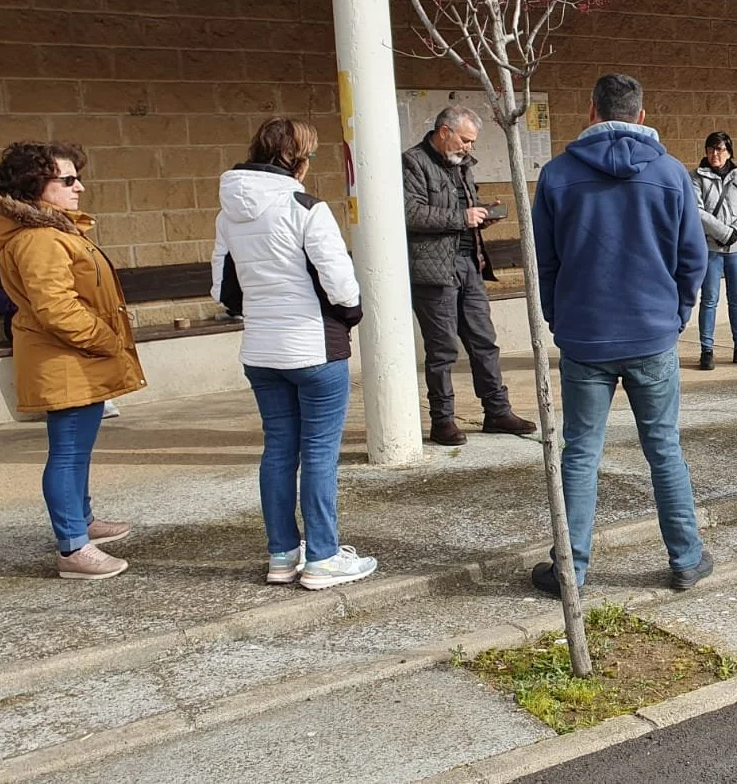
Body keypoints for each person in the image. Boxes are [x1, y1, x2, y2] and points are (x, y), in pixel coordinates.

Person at [530, 73, 712, 595]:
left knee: (580, 453)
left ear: (591, 111)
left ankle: (572, 569)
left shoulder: (557, 176)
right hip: (652, 334)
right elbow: (692, 259)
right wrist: (676, 315)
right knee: (663, 448)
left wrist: (558, 317)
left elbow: (546, 260)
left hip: (584, 336)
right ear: (641, 114)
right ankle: (686, 558)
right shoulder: (672, 174)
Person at [211, 117, 376, 591]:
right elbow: (341, 283)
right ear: (298, 160)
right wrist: (349, 315)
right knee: (320, 454)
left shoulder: (228, 213)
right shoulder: (306, 207)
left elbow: (223, 288)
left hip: (260, 350)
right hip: (314, 346)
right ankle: (323, 557)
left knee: (278, 449)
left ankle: (282, 555)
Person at [0, 142, 146, 580]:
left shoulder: (54, 231)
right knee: (68, 452)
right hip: (66, 358)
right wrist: (105, 339)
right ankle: (72, 546)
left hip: (78, 358)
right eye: (68, 180)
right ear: (37, 186)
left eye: (77, 178)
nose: (80, 187)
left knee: (79, 448)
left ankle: (83, 520)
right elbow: (55, 306)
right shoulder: (37, 238)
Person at [402, 105, 535, 445]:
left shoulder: (463, 167)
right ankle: (442, 420)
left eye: (473, 142)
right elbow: (410, 213)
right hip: (433, 271)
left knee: (484, 342)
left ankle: (497, 410)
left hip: (469, 265)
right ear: (443, 131)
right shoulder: (413, 162)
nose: (469, 148)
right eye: (465, 140)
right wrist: (462, 217)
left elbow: (461, 212)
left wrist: (482, 217)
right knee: (442, 349)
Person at [0, 263, 122, 419]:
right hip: (27, 323)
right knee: (54, 352)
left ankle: (99, 396)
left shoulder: (61, 255)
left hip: (64, 318)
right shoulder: (6, 261)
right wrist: (22, 307)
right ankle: (65, 403)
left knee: (81, 338)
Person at [693, 131, 737, 371]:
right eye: (711, 149)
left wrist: (736, 230)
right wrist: (724, 232)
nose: (715, 154)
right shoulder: (697, 178)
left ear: (729, 152)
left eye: (720, 149)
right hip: (711, 247)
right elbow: (697, 211)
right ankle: (706, 349)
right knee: (709, 299)